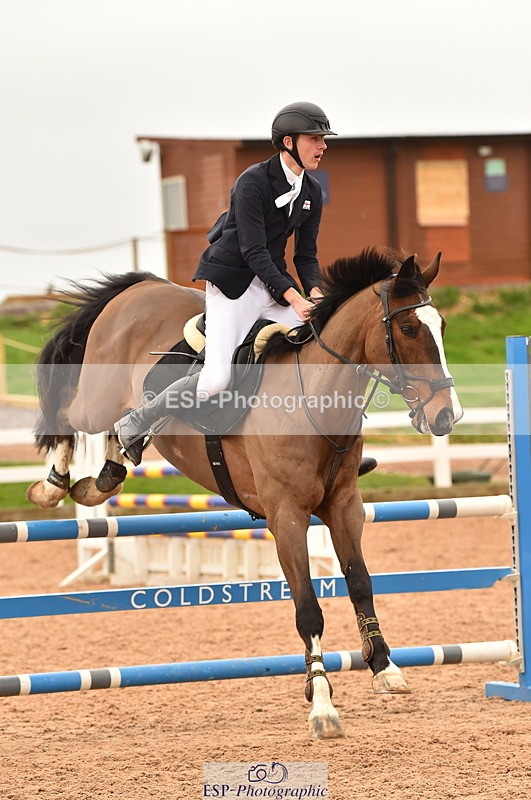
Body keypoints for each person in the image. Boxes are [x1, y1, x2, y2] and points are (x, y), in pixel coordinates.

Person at [115, 102, 335, 465]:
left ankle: (330, 447)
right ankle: (137, 421)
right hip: (233, 284)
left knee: (322, 346)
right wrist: (294, 297)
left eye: (323, 139)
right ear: (287, 143)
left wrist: (315, 292)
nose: (322, 146)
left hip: (271, 285)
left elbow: (306, 255)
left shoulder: (311, 190)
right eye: (315, 138)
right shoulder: (252, 182)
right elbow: (253, 251)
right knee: (215, 380)